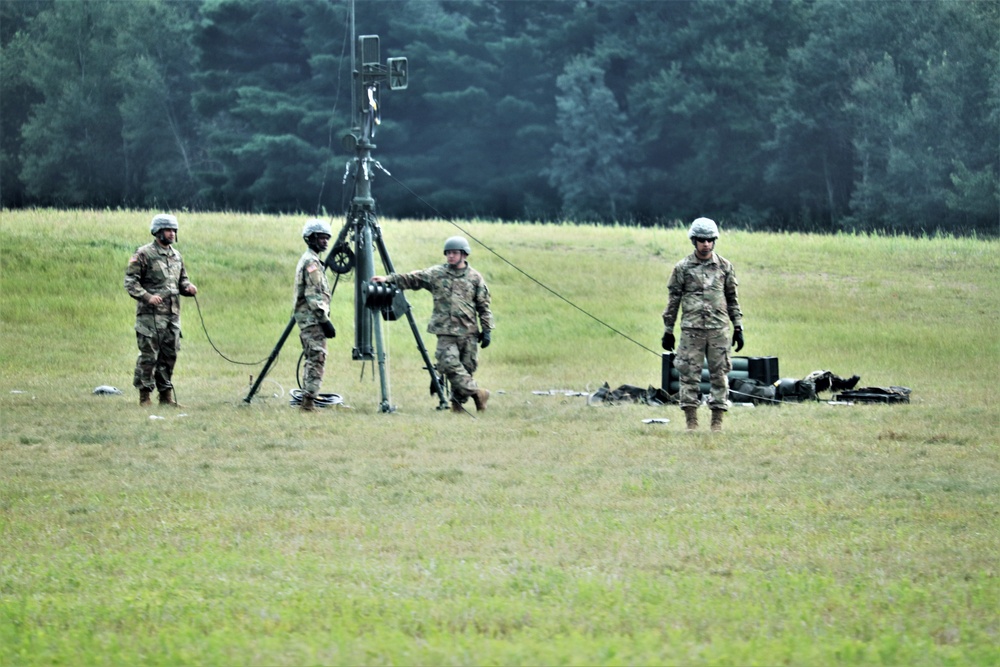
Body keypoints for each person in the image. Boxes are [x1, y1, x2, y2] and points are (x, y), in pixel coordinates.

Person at [371, 236, 494, 412]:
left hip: (468, 332)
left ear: (464, 255)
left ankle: (457, 406)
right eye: (448, 253)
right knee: (447, 364)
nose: (450, 256)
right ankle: (478, 393)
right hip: (445, 331)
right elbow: (413, 279)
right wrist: (388, 279)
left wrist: (487, 330)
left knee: (466, 369)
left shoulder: (475, 278)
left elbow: (484, 306)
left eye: (454, 253)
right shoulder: (437, 273)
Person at [661, 217, 744, 431]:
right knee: (689, 376)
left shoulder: (725, 267)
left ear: (714, 241)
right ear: (694, 241)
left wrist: (738, 327)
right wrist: (668, 330)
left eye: (709, 240)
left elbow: (732, 298)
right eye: (701, 240)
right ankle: (692, 422)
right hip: (692, 330)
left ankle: (716, 423)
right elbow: (674, 300)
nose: (705, 244)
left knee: (720, 375)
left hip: (718, 331)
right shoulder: (682, 268)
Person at [124, 213, 198, 406]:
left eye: (174, 230)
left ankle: (165, 397)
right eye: (168, 230)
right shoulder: (143, 254)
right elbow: (131, 283)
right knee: (149, 356)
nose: (172, 233)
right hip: (150, 317)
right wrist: (148, 297)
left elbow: (182, 280)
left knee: (169, 356)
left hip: (172, 316)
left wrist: (189, 288)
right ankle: (144, 397)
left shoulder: (176, 256)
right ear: (157, 232)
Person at [293, 218, 337, 412]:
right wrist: (324, 320)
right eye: (321, 238)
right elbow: (313, 294)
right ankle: (309, 403)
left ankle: (308, 399)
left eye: (327, 238)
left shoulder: (312, 260)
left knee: (313, 357)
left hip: (309, 319)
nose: (325, 242)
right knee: (317, 357)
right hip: (312, 320)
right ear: (310, 238)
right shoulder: (311, 262)